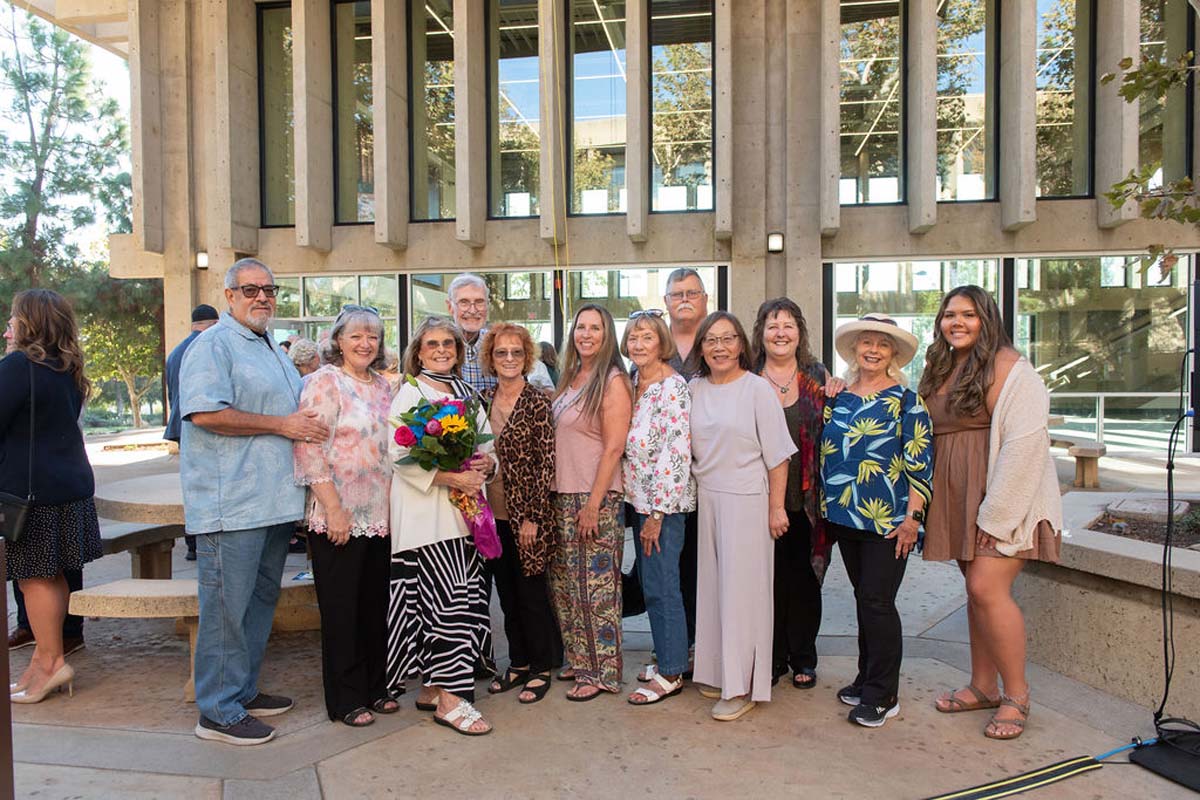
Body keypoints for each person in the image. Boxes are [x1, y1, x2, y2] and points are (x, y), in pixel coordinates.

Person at [180, 258, 329, 745]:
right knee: (226, 609)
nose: (261, 297)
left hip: (274, 503)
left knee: (258, 605)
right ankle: (217, 711)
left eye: (269, 289)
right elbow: (204, 413)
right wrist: (283, 426)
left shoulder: (270, 347)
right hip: (233, 505)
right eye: (250, 290)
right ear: (228, 295)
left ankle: (241, 690)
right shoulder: (212, 346)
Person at [919, 286, 1062, 740]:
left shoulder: (1014, 369)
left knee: (987, 587)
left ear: (988, 319)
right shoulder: (942, 365)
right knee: (975, 590)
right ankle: (982, 685)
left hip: (1001, 497)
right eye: (949, 315)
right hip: (957, 494)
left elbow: (1024, 448)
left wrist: (995, 516)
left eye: (968, 315)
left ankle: (1016, 695)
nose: (956, 322)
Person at [820, 313, 932, 729]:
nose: (872, 350)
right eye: (866, 342)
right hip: (845, 518)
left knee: (878, 602)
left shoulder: (907, 401)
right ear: (855, 350)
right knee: (864, 598)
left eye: (882, 345)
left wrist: (912, 520)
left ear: (893, 355)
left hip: (889, 521)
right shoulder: (839, 397)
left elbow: (920, 465)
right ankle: (866, 677)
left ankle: (883, 694)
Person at [387, 316, 496, 736]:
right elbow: (397, 458)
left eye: (448, 343)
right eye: (432, 344)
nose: (441, 349)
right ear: (418, 351)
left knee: (460, 603)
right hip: (426, 520)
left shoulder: (467, 394)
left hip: (465, 518)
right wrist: (452, 477)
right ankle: (454, 699)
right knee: (448, 608)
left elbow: (487, 447)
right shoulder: (409, 394)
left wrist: (488, 465)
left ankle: (433, 687)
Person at [686, 311, 794, 722]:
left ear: (742, 345)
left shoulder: (758, 390)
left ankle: (744, 685)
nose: (719, 347)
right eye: (711, 340)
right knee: (713, 592)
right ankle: (718, 672)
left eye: (728, 338)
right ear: (701, 348)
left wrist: (776, 507)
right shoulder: (693, 389)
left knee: (743, 598)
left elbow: (778, 455)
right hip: (708, 499)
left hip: (748, 501)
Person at [293, 307, 396, 727]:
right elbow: (308, 448)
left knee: (374, 605)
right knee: (342, 610)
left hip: (380, 513)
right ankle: (346, 698)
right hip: (337, 514)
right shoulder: (324, 382)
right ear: (338, 340)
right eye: (356, 335)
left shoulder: (383, 388)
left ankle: (376, 685)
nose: (364, 343)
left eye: (372, 335)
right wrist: (333, 508)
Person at [1, 290, 103, 704]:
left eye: (12, 319)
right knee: (53, 574)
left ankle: (49, 664)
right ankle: (46, 660)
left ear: (27, 322)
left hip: (32, 493)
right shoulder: (67, 369)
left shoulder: (18, 366)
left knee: (34, 579)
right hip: (69, 486)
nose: (7, 327)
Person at [549, 304, 632, 701]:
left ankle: (603, 672)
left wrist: (593, 504)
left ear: (607, 335)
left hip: (593, 496)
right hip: (564, 494)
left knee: (596, 590)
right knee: (568, 587)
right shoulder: (570, 378)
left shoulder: (612, 380)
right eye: (580, 327)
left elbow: (614, 446)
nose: (586, 334)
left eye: (595, 328)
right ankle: (581, 660)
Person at [752, 298, 833, 691]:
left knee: (803, 581)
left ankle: (803, 656)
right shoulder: (748, 376)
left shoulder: (817, 377)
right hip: (757, 498)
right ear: (761, 334)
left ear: (799, 332)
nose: (780, 333)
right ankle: (771, 657)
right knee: (766, 583)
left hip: (807, 502)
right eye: (772, 326)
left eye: (787, 325)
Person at [480, 323, 558, 705]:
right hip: (491, 516)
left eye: (515, 352)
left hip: (528, 517)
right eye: (501, 353)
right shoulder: (482, 400)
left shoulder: (538, 401)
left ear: (526, 357)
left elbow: (546, 465)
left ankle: (541, 666)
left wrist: (534, 518)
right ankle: (519, 662)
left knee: (531, 594)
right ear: (490, 360)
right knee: (506, 594)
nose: (509, 359)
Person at [621, 310, 695, 706]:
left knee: (663, 587)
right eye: (632, 337)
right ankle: (669, 655)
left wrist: (656, 514)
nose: (638, 343)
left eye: (646, 336)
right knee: (652, 585)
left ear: (661, 341)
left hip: (662, 507)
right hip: (636, 498)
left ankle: (670, 672)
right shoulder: (634, 382)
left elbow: (676, 452)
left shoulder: (673, 386)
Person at [165, 303, 220, 562]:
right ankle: (203, 542)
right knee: (208, 485)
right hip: (202, 426)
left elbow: (170, 395)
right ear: (214, 323)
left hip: (179, 423)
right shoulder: (209, 348)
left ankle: (191, 544)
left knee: (192, 483)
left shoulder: (176, 352)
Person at [446, 273, 554, 393]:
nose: (472, 310)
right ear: (450, 307)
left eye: (479, 302)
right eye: (464, 302)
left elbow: (545, 387)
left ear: (488, 306)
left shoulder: (498, 341)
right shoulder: (440, 348)